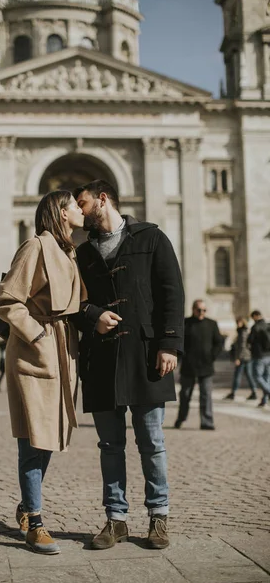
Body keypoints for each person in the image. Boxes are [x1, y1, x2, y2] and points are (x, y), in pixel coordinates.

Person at [74, 179, 185, 550]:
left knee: (152, 442)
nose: (79, 211)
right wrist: (93, 315)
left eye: (83, 203)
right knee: (109, 444)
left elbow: (171, 291)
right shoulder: (82, 252)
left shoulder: (152, 238)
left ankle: (158, 516)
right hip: (101, 356)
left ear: (102, 200)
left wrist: (169, 344)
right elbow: (73, 303)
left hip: (145, 353)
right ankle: (116, 519)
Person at [0, 190, 86, 555]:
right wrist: (36, 334)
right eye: (75, 205)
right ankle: (34, 521)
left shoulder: (69, 250)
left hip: (62, 351)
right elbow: (7, 300)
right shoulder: (34, 247)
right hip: (36, 353)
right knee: (33, 440)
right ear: (61, 213)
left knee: (49, 435)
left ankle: (26, 505)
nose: (81, 209)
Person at [175, 300, 223, 431]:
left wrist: (212, 356)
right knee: (185, 395)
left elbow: (219, 342)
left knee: (206, 395)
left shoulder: (211, 324)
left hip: (206, 366)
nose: (201, 313)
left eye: (204, 310)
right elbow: (179, 342)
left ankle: (207, 421)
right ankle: (181, 418)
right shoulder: (185, 323)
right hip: (188, 366)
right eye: (199, 310)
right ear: (193, 309)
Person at [224, 317, 257, 401]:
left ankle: (233, 393)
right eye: (237, 322)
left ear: (243, 323)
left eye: (239, 322)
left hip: (243, 357)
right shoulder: (243, 331)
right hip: (247, 357)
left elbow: (242, 347)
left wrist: (238, 358)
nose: (238, 324)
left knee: (238, 375)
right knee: (249, 375)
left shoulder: (242, 332)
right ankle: (254, 392)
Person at [248, 310, 270, 407]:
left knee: (257, 376)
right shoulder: (267, 325)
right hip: (268, 355)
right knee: (266, 378)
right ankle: (264, 400)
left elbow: (250, 340)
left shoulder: (255, 327)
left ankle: (268, 392)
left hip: (259, 355)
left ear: (256, 316)